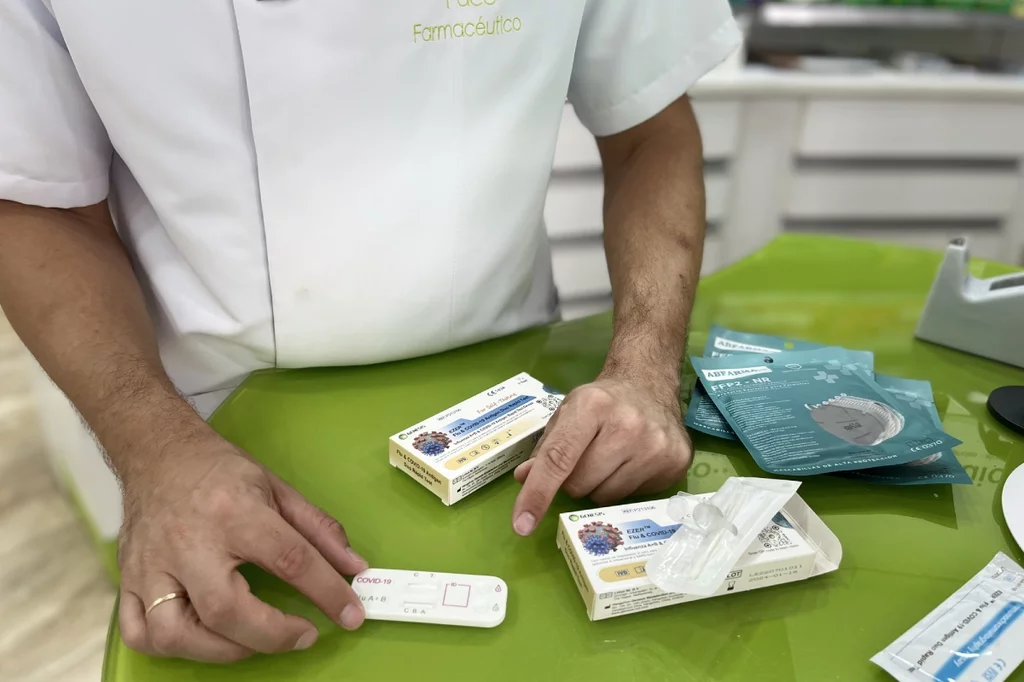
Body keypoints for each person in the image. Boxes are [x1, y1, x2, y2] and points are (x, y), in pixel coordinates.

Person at [0, 0, 741, 664]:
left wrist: (644, 371)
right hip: (216, 426)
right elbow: (37, 201)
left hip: (521, 413)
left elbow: (651, 129)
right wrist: (154, 450)